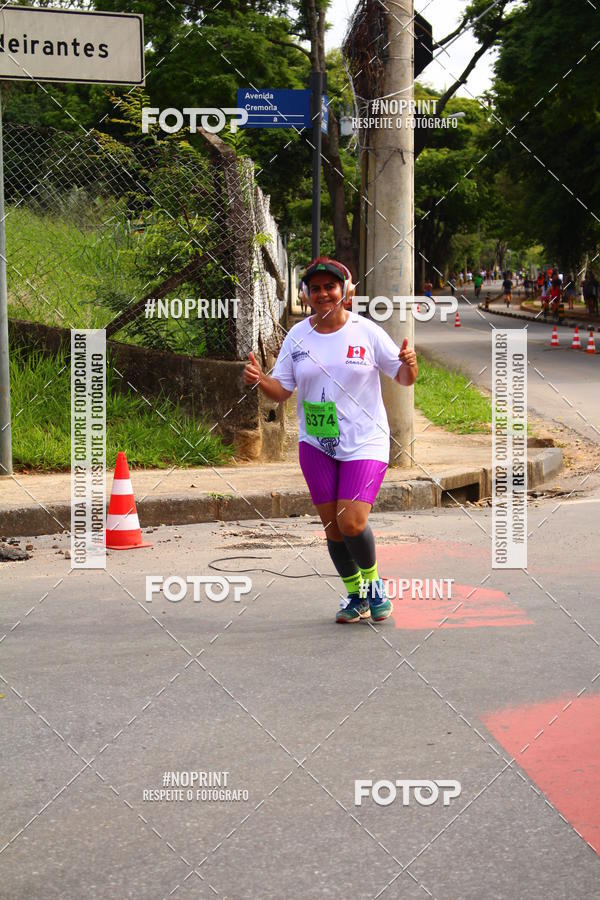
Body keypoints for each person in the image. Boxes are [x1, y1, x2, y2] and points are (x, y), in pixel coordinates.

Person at [243, 256, 418, 624]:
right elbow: (283, 391)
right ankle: (355, 595)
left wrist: (409, 363)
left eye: (331, 287)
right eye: (316, 288)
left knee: (352, 521)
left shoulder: (366, 332)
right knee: (334, 527)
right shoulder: (297, 336)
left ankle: (373, 589)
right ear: (307, 295)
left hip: (366, 440)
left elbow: (402, 378)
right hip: (316, 443)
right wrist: (261, 380)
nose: (323, 293)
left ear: (345, 291)